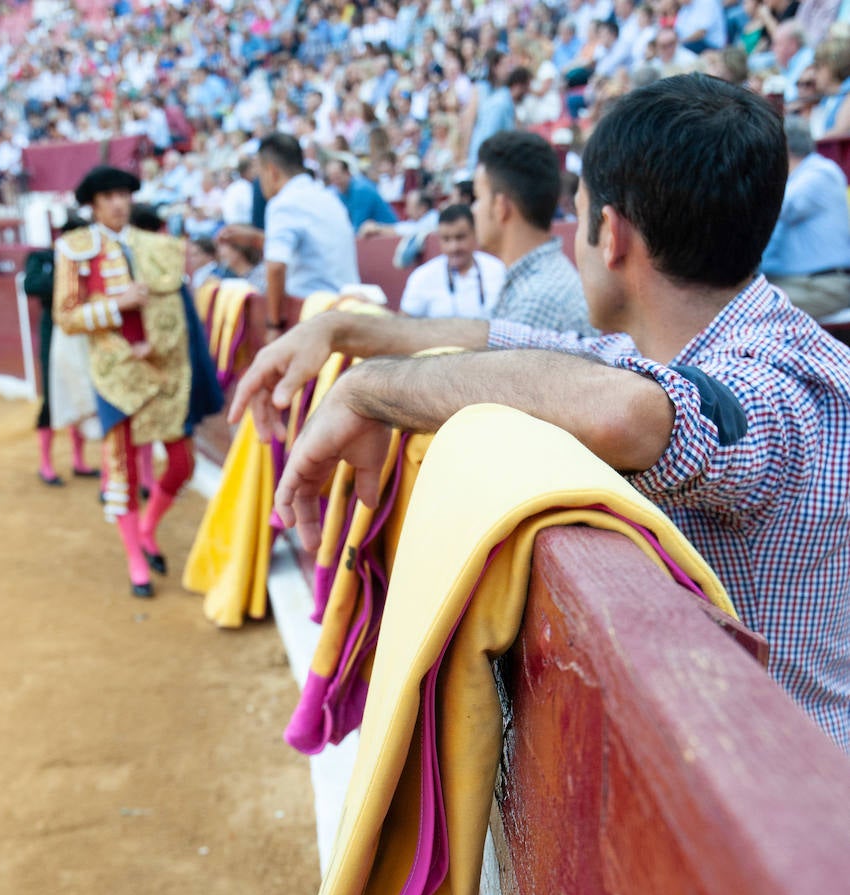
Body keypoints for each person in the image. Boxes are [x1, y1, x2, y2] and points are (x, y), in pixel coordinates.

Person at [231, 75, 850, 753]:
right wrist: (346, 336)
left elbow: (627, 412)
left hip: (775, 817)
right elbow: (534, 349)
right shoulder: (730, 339)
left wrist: (369, 390)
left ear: (608, 234)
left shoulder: (776, 384)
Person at [53, 165, 223, 598]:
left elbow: (177, 311)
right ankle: (134, 559)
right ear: (92, 204)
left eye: (123, 194)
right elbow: (66, 316)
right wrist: (116, 304)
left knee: (182, 463)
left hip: (163, 368)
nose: (118, 202)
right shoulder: (75, 249)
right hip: (117, 373)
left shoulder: (157, 246)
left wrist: (160, 341)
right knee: (124, 470)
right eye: (108, 196)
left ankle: (148, 528)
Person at [472, 131, 593, 332]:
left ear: (501, 206)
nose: (474, 209)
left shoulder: (535, 301)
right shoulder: (535, 282)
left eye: (478, 197)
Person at [258, 133, 360, 344]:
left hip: (313, 318)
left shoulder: (283, 204)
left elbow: (276, 266)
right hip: (348, 310)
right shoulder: (327, 196)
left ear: (271, 171)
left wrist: (273, 325)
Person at [23, 216, 101, 487]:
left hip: (84, 330)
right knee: (52, 394)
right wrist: (67, 271)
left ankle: (78, 460)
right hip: (53, 329)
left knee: (81, 389)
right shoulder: (44, 257)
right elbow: (31, 286)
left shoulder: (93, 259)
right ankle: (46, 463)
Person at [761, 116, 850, 317]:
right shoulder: (798, 177)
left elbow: (776, 207)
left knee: (746, 309)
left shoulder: (821, 172)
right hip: (798, 283)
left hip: (823, 287)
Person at [399, 204, 505, 320]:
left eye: (460, 238)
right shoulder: (423, 277)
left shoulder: (497, 271)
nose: (453, 247)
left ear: (474, 234)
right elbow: (403, 325)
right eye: (446, 239)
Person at [324, 153, 400, 231]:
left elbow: (358, 226)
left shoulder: (361, 189)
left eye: (337, 177)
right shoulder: (337, 191)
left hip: (388, 233)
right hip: (371, 235)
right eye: (332, 178)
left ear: (347, 173)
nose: (335, 182)